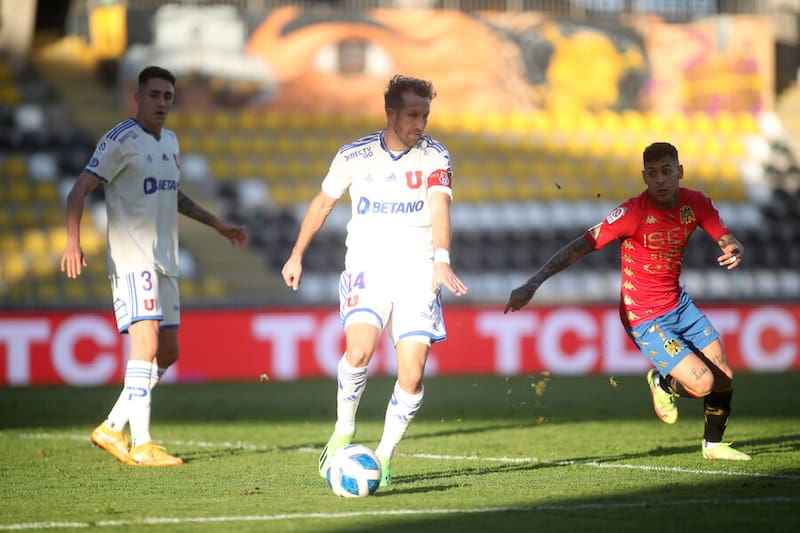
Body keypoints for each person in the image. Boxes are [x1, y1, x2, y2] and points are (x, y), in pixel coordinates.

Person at [504, 141, 750, 461]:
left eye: (666, 171)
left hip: (678, 304)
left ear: (680, 171)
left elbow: (724, 235)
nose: (660, 179)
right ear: (644, 178)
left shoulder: (697, 203)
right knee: (703, 384)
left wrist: (734, 247)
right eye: (652, 173)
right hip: (643, 314)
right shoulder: (631, 213)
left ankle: (713, 444)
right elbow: (581, 245)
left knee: (724, 376)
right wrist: (533, 282)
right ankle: (663, 384)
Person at [281, 74, 468, 486]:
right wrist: (296, 254)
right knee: (360, 351)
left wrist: (441, 259)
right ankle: (344, 427)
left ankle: (382, 457)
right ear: (391, 112)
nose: (420, 124)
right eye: (412, 115)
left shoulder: (435, 156)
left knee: (412, 375)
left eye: (425, 115)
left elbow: (439, 209)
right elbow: (323, 203)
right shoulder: (354, 155)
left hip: (419, 273)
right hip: (368, 268)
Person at [60, 66, 248, 466]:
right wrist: (72, 242)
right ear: (139, 97)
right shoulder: (119, 141)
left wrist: (216, 223)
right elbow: (79, 190)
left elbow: (172, 194)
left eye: (168, 96)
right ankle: (143, 445)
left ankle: (112, 427)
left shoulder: (171, 142)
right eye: (155, 95)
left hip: (167, 260)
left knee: (168, 352)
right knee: (143, 347)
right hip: (133, 259)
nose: (162, 102)